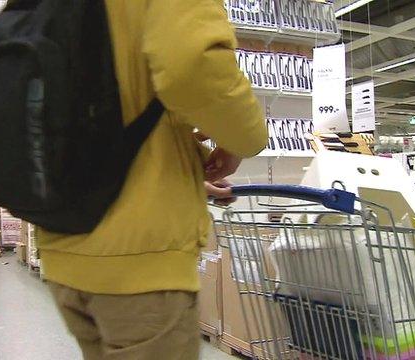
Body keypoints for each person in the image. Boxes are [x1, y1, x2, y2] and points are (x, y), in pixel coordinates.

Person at [37, 1, 267, 359]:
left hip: (65, 246)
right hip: (139, 260)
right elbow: (192, 65)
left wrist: (185, 177)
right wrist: (244, 139)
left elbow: (104, 113)